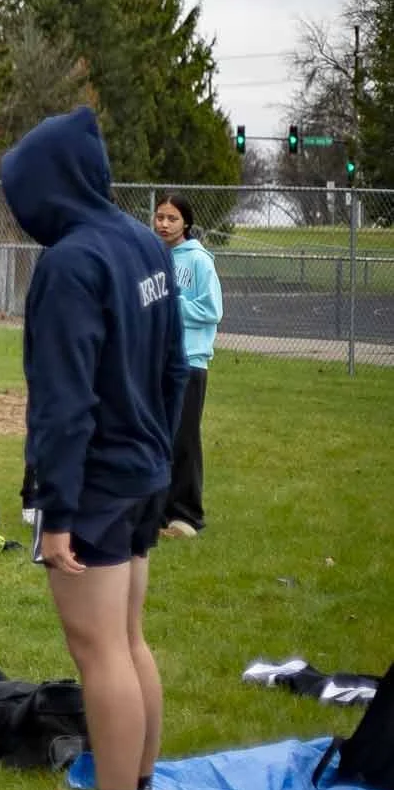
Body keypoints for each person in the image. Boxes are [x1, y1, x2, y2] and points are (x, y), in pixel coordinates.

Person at [2, 107, 186, 790]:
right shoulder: (145, 241)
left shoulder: (72, 263)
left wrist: (56, 507)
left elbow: (64, 401)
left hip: (99, 481)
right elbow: (176, 369)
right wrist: (161, 457)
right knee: (130, 637)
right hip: (141, 470)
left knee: (99, 649)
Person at [155, 194, 221, 538]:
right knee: (159, 437)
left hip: (190, 362)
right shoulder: (154, 257)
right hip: (159, 362)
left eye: (172, 218)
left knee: (184, 439)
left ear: (186, 224)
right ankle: (161, 511)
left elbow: (212, 311)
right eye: (160, 217)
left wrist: (173, 304)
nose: (164, 224)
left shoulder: (199, 261)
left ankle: (187, 515)